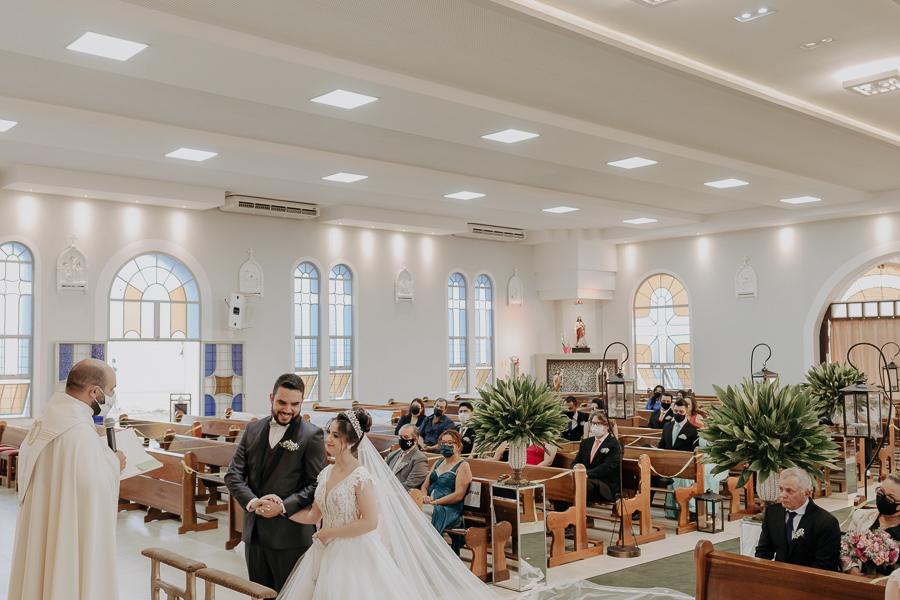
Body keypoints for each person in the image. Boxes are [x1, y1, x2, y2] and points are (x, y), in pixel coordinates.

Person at [275, 410, 501, 600]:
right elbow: (314, 516)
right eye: (328, 433)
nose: (328, 439)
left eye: (335, 435)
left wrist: (330, 532)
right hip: (325, 550)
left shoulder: (361, 476)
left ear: (351, 441)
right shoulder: (325, 473)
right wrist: (282, 510)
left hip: (354, 552)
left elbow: (370, 522)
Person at [9, 358, 126, 600]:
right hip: (66, 532)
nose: (113, 397)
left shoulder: (49, 418)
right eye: (112, 390)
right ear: (95, 392)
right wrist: (115, 463)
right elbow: (91, 486)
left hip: (45, 522)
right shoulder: (78, 431)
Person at [225, 373, 327, 592]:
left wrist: (281, 507)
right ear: (272, 397)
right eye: (281, 402)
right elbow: (233, 475)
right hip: (254, 534)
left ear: (301, 402)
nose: (287, 409)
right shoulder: (253, 429)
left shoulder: (312, 436)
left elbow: (317, 485)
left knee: (290, 595)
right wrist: (253, 503)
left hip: (291, 537)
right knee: (258, 594)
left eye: (294, 404)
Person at [755, 467, 841, 572]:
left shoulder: (826, 522)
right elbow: (763, 552)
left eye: (789, 491)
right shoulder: (772, 513)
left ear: (806, 493)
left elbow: (824, 566)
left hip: (809, 581)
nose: (782, 495)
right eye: (781, 489)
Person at [421, 429, 473, 555]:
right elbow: (424, 486)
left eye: (450, 443)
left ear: (458, 446)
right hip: (431, 503)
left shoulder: (463, 466)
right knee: (411, 510)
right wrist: (424, 497)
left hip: (449, 508)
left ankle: (427, 553)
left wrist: (435, 502)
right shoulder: (438, 462)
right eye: (443, 443)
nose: (446, 446)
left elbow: (458, 495)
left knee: (420, 514)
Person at [843, 473, 900, 575]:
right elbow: (845, 551)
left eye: (889, 499)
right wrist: (854, 571)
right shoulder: (861, 517)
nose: (882, 498)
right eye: (880, 492)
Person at [570, 410, 622, 502]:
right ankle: (565, 513)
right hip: (587, 480)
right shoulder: (586, 443)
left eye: (598, 423)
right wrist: (574, 469)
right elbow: (576, 461)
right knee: (565, 485)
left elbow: (608, 467)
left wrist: (586, 474)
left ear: (607, 425)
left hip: (604, 485)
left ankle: (574, 514)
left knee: (579, 485)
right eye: (593, 423)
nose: (595, 426)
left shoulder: (615, 445)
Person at [385, 424, 428, 491]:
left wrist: (388, 490)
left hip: (399, 495)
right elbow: (381, 473)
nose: (402, 440)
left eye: (406, 437)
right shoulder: (392, 455)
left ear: (415, 440)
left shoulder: (420, 459)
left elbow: (410, 484)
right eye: (400, 437)